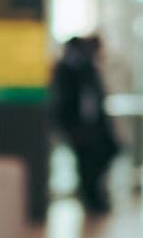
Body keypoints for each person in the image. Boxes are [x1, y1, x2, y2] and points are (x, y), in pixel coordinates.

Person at [51, 35, 119, 214]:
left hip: (92, 127)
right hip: (79, 127)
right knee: (87, 164)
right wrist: (70, 126)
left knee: (101, 157)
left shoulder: (87, 68)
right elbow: (65, 102)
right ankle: (91, 199)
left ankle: (95, 197)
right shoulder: (71, 68)